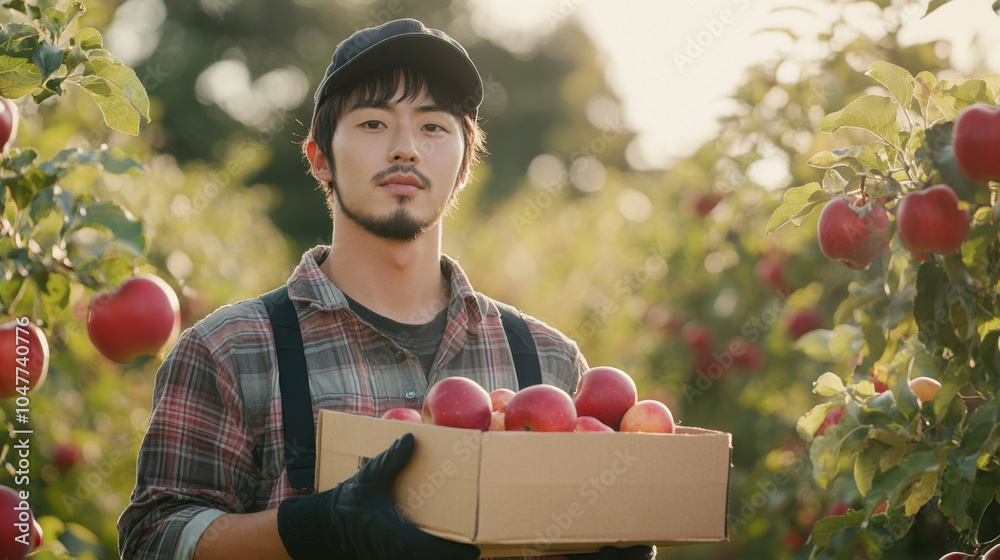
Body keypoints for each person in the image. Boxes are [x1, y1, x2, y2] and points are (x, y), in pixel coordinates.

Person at [117, 17, 655, 560]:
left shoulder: (548, 365)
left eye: (433, 127)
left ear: (465, 163)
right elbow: (152, 541)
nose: (406, 150)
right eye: (374, 124)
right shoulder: (230, 351)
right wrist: (315, 526)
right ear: (321, 158)